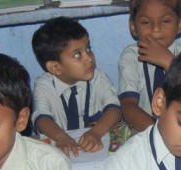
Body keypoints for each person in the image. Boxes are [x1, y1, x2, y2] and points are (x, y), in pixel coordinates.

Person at [31, 16, 121, 156]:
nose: (89, 58)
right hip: (60, 154)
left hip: (94, 154)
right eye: (77, 54)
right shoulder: (44, 85)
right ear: (55, 67)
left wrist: (96, 132)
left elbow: (115, 111)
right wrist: (61, 137)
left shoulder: (98, 77)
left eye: (88, 48)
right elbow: (42, 119)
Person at [118, 0, 181, 132]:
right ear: (133, 27)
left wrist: (170, 63)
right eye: (145, 22)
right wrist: (160, 134)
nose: (156, 28)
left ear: (179, 24)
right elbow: (128, 106)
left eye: (165, 21)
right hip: (143, 131)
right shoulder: (131, 56)